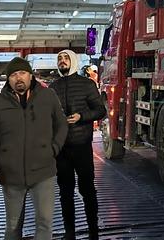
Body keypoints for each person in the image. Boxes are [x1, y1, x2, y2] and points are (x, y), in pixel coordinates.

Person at [0, 57, 68, 240]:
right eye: (13, 75)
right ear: (8, 79)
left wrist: (53, 149)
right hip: (11, 174)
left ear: (30, 75)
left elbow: (61, 125)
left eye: (22, 73)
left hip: (43, 171)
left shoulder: (48, 96)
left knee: (45, 222)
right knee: (13, 226)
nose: (18, 78)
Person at [49, 50, 106, 240]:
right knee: (65, 192)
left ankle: (93, 231)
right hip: (62, 148)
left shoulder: (87, 84)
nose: (62, 61)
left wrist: (81, 116)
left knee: (87, 190)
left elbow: (100, 110)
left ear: (72, 61)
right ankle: (69, 233)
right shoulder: (53, 87)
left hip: (82, 146)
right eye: (59, 59)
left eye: (66, 58)